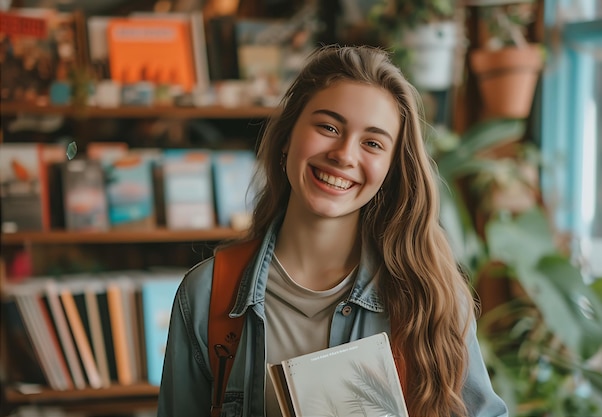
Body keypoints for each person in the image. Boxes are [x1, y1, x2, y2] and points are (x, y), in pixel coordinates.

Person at [157, 44, 508, 417]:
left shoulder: (431, 296)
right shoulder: (208, 295)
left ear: (390, 171)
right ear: (288, 136)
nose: (344, 154)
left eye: (372, 143)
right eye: (328, 127)